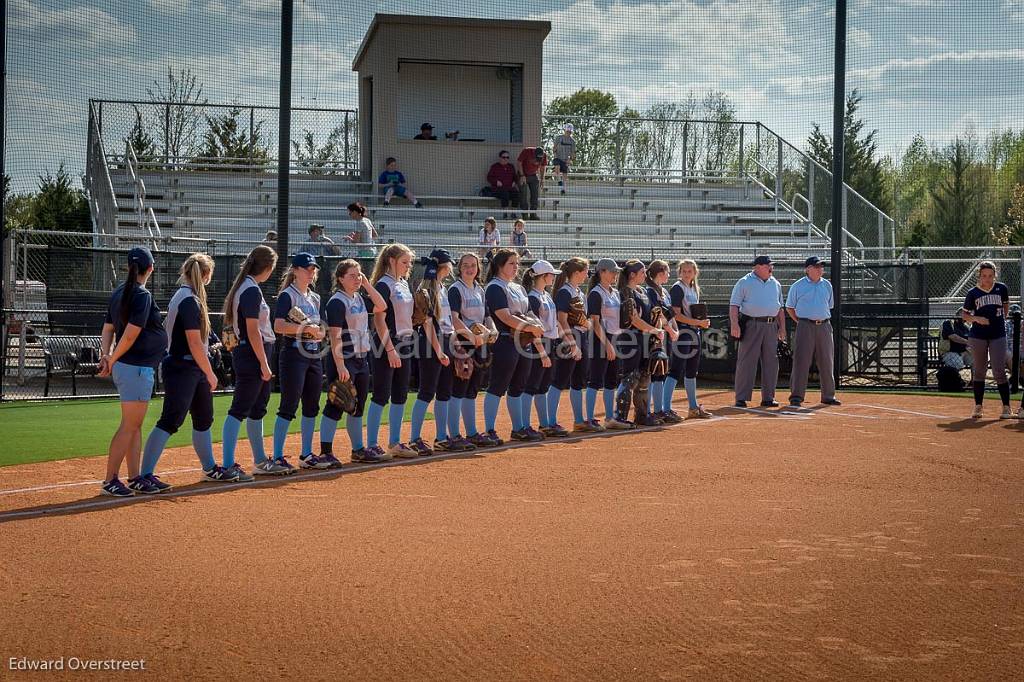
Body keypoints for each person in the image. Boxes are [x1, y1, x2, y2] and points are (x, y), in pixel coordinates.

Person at [140, 253, 229, 491]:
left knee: (203, 418)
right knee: (171, 419)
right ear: (206, 275)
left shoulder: (190, 297)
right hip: (183, 366)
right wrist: (210, 372)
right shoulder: (188, 299)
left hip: (191, 366)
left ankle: (209, 468)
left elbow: (199, 339)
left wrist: (213, 347)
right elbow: (193, 342)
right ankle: (145, 473)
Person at [96, 246, 167, 496]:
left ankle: (135, 476)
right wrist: (112, 358)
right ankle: (110, 479)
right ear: (150, 269)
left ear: (129, 268)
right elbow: (129, 335)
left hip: (134, 367)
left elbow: (107, 329)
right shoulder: (142, 294)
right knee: (129, 425)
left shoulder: (119, 292)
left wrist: (107, 356)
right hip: (135, 367)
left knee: (134, 426)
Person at [220, 245, 286, 476]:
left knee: (258, 407)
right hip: (251, 354)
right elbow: (252, 330)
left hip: (254, 352)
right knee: (240, 408)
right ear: (267, 268)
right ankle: (227, 464)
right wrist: (264, 364)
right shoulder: (250, 290)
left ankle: (260, 460)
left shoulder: (248, 287)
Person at [321, 259, 391, 464]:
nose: (357, 278)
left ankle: (358, 449)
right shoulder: (337, 301)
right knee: (336, 403)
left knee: (357, 405)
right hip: (345, 359)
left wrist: (367, 284)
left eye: (359, 274)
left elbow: (382, 305)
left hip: (362, 359)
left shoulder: (359, 298)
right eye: (352, 275)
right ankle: (326, 451)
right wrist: (341, 365)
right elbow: (334, 336)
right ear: (340, 278)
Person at [409, 249, 469, 455]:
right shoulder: (428, 289)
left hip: (446, 341)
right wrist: (439, 351)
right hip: (431, 343)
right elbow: (428, 324)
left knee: (444, 392)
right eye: (449, 264)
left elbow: (447, 324)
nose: (450, 268)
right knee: (427, 391)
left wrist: (456, 347)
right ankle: (414, 438)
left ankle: (442, 438)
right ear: (444, 267)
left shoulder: (442, 287)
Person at [272, 253, 327, 471]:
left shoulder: (315, 297)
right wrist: (305, 329)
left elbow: (321, 329)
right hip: (294, 354)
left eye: (313, 268)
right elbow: (278, 326)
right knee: (288, 405)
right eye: (307, 268)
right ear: (295, 270)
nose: (311, 272)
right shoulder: (287, 295)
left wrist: (319, 332)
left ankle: (306, 454)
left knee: (312, 405)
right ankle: (277, 456)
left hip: (313, 355)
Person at [483, 248, 545, 443]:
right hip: (504, 341)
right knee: (497, 386)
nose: (515, 266)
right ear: (500, 265)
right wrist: (531, 327)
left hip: (523, 341)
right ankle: (490, 430)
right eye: (511, 263)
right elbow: (504, 316)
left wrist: (537, 325)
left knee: (518, 386)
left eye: (517, 263)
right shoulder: (494, 287)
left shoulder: (518, 287)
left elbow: (529, 311)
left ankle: (518, 428)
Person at [367, 243, 418, 458]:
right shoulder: (383, 285)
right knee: (381, 394)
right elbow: (379, 320)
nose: (408, 266)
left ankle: (395, 442)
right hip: (386, 344)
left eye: (409, 262)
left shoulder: (404, 284)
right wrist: (390, 350)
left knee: (400, 394)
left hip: (405, 343)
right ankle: (371, 444)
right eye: (404, 262)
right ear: (391, 261)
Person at [448, 252, 496, 448]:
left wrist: (493, 330)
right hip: (462, 343)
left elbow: (487, 316)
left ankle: (472, 432)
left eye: (473, 265)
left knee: (472, 390)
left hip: (479, 342)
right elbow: (454, 318)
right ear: (460, 268)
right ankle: (454, 434)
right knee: (459, 389)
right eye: (466, 265)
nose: (469, 268)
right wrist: (472, 336)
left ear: (478, 269)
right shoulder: (455, 289)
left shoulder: (479, 289)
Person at [729, 255, 786, 408]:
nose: (771, 268)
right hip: (751, 324)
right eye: (768, 265)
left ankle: (768, 397)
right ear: (758, 267)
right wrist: (735, 324)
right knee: (746, 362)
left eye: (771, 265)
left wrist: (782, 328)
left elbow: (780, 308)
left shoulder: (775, 283)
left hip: (771, 326)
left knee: (771, 362)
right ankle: (741, 397)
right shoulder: (744, 282)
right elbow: (734, 305)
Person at [614, 260, 664, 428]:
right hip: (630, 339)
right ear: (632, 275)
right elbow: (633, 319)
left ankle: (642, 415)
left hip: (644, 339)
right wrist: (654, 330)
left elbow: (652, 314)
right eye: (642, 272)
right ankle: (620, 416)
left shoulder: (642, 290)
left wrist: (656, 328)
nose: (645, 275)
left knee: (644, 377)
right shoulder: (625, 291)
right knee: (630, 378)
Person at [786, 256, 840, 407]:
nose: (820, 269)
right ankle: (796, 396)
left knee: (827, 362)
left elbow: (829, 306)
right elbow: (790, 307)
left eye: (821, 266)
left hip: (824, 325)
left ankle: (828, 395)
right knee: (801, 361)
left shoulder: (827, 285)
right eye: (816, 266)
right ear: (808, 269)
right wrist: (800, 321)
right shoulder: (798, 286)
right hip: (805, 325)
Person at [961, 261, 1012, 419]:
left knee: (999, 371)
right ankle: (978, 406)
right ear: (979, 276)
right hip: (978, 336)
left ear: (994, 275)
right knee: (980, 371)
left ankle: (1006, 407)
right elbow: (965, 315)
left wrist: (1001, 318)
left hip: (998, 334)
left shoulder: (1001, 288)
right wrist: (977, 319)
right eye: (984, 276)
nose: (987, 279)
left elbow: (1005, 306)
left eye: (990, 276)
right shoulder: (973, 293)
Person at [523, 260, 566, 437]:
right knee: (531, 386)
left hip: (551, 342)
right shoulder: (532, 297)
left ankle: (544, 424)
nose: (553, 277)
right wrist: (542, 353)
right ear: (543, 276)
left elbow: (554, 322)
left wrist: (566, 341)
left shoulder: (545, 295)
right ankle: (524, 425)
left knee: (542, 386)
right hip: (538, 344)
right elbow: (534, 330)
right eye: (551, 274)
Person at [667, 259, 712, 420]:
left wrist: (702, 322)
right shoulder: (678, 288)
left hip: (694, 332)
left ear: (695, 273)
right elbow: (676, 315)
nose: (686, 274)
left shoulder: (694, 288)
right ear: (679, 272)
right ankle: (665, 408)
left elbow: (694, 313)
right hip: (683, 332)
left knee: (692, 370)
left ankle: (693, 407)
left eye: (689, 271)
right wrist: (698, 322)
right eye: (684, 271)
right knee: (676, 369)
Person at [552, 257, 591, 433]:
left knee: (578, 380)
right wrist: (572, 344)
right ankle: (549, 422)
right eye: (585, 271)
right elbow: (561, 319)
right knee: (560, 379)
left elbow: (581, 319)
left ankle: (579, 420)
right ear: (576, 273)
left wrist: (587, 324)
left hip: (581, 336)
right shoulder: (564, 292)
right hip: (569, 338)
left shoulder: (579, 293)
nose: (587, 274)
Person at [586, 258, 623, 430]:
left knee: (611, 380)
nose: (616, 274)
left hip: (615, 337)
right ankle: (590, 419)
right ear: (602, 272)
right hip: (600, 339)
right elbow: (595, 322)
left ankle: (609, 418)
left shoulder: (615, 292)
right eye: (612, 271)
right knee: (595, 380)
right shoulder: (596, 293)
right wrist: (607, 345)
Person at [645, 260, 682, 423]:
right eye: (667, 272)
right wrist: (671, 331)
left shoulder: (664, 292)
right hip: (654, 336)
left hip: (664, 336)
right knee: (653, 372)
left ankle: (659, 410)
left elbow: (670, 314)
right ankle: (649, 411)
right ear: (660, 273)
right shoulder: (650, 291)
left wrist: (676, 330)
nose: (669, 275)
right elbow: (658, 315)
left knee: (661, 371)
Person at [486, 150, 520, 218]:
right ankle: (505, 213)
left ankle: (513, 213)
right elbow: (489, 177)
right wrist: (496, 182)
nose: (505, 159)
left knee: (516, 193)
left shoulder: (511, 166)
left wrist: (515, 182)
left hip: (509, 188)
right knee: (505, 193)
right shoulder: (494, 166)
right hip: (498, 189)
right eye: (504, 157)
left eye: (507, 157)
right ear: (500, 158)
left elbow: (515, 177)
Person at [516, 146, 547, 221]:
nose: (537, 161)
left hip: (533, 175)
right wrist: (522, 175)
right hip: (523, 174)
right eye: (536, 158)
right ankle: (525, 214)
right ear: (534, 154)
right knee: (523, 194)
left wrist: (542, 179)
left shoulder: (544, 155)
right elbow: (519, 162)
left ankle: (533, 214)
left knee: (535, 195)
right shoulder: (526, 151)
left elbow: (543, 167)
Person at [551, 124, 576, 195]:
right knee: (557, 167)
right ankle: (559, 180)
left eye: (570, 131)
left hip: (565, 160)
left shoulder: (572, 141)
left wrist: (570, 159)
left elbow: (573, 152)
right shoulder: (558, 138)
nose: (569, 132)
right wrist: (555, 154)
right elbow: (554, 148)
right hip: (557, 157)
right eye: (568, 131)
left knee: (565, 174)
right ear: (565, 130)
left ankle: (563, 189)